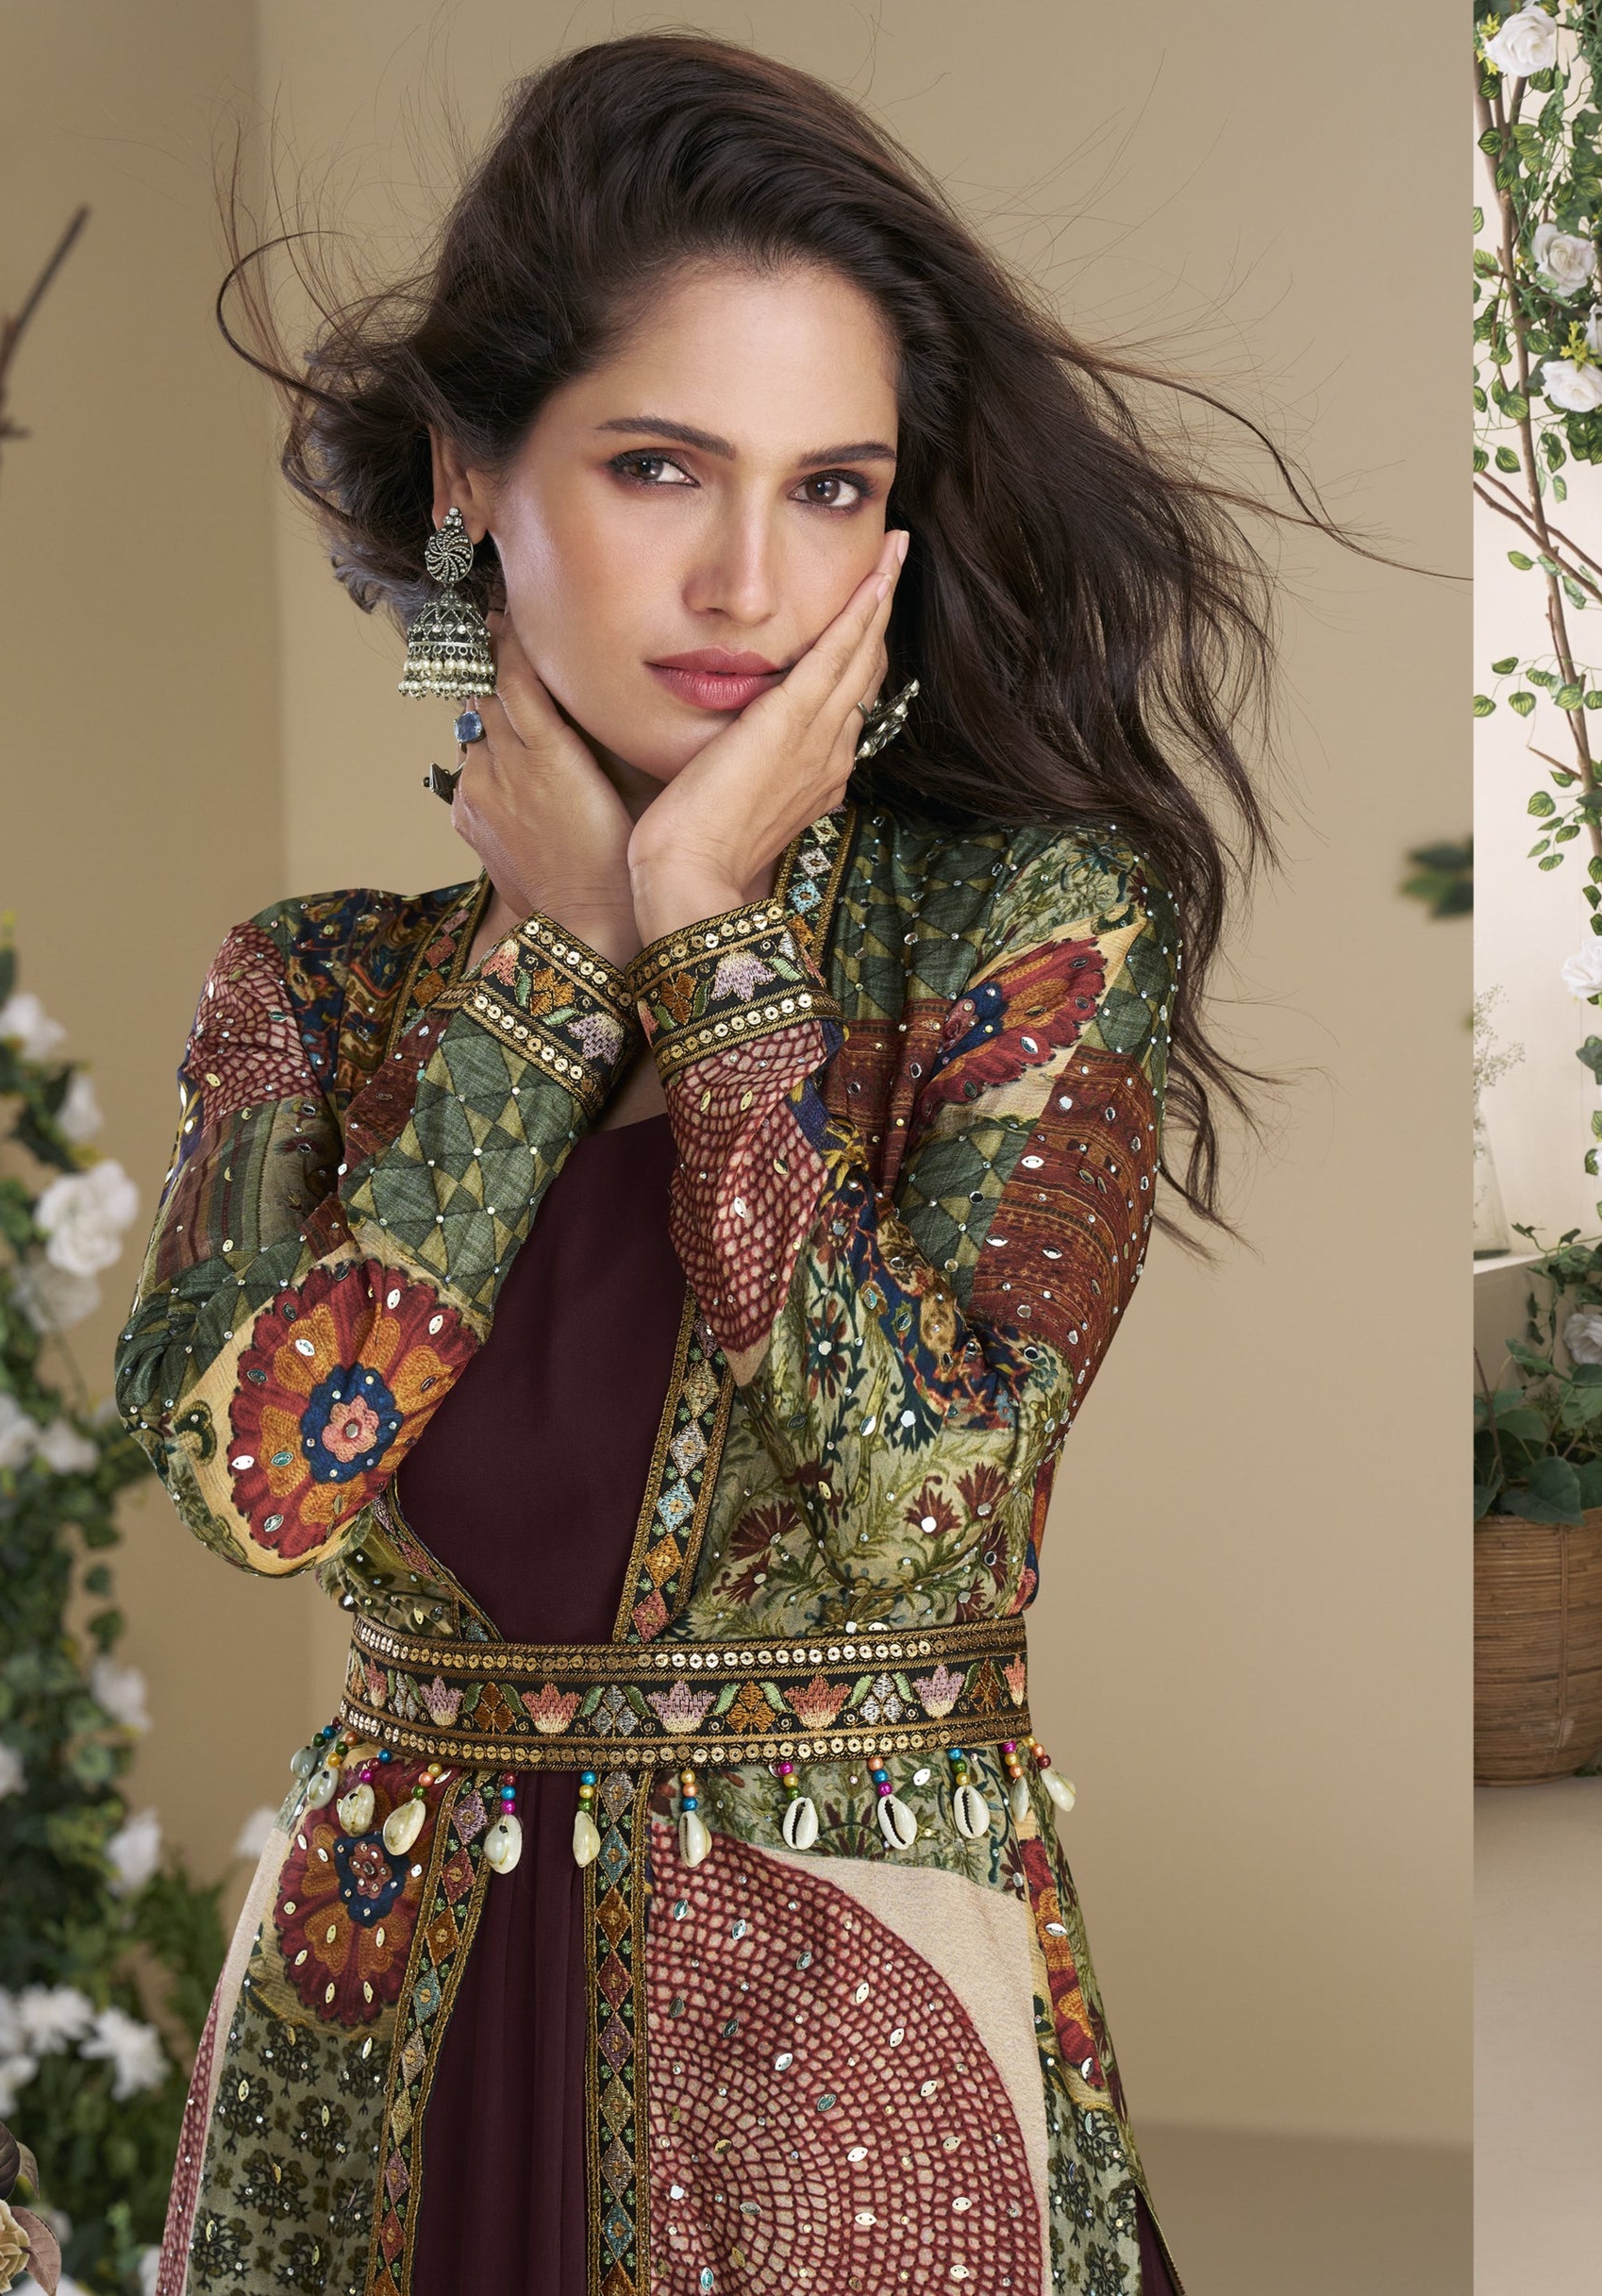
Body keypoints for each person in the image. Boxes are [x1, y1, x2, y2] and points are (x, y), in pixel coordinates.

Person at [116, 31, 1296, 2295]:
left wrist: (714, 956)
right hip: (378, 2053)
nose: (750, 574)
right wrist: (553, 967)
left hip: (848, 2063)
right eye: (662, 464)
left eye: (835, 486)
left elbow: (924, 1489)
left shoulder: (1029, 928)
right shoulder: (322, 993)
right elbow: (253, 1489)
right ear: (473, 483)